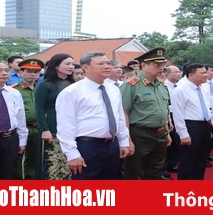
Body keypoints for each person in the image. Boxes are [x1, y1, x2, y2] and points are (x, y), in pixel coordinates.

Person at [56, 51, 130, 179]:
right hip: (88, 145)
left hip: (112, 145)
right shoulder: (72, 92)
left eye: (108, 63)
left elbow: (119, 118)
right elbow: (66, 125)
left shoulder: (113, 89)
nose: (107, 66)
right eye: (101, 63)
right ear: (85, 67)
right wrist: (72, 154)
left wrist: (123, 141)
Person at [120, 48, 172, 180]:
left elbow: (163, 111)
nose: (161, 68)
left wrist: (167, 133)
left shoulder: (161, 86)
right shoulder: (131, 85)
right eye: (156, 64)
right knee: (134, 172)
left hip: (160, 133)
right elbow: (123, 114)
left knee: (155, 171)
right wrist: (127, 140)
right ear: (143, 65)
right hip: (140, 134)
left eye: (163, 64)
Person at [35, 53, 75, 179]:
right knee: (50, 159)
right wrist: (45, 129)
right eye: (67, 64)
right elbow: (39, 109)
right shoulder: (45, 85)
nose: (71, 67)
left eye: (72, 64)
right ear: (56, 66)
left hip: (71, 125)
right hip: (51, 124)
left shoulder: (73, 84)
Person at [171, 63, 211, 180]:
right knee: (187, 160)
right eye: (202, 73)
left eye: (205, 72)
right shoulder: (181, 90)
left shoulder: (202, 88)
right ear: (191, 75)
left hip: (204, 126)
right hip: (190, 126)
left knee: (201, 158)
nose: (206, 75)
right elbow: (178, 114)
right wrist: (183, 134)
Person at [12, 58, 44, 179]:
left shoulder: (41, 89)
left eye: (35, 72)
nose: (32, 74)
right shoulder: (14, 89)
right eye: (28, 71)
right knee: (18, 157)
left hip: (38, 128)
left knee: (35, 158)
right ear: (21, 73)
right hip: (21, 128)